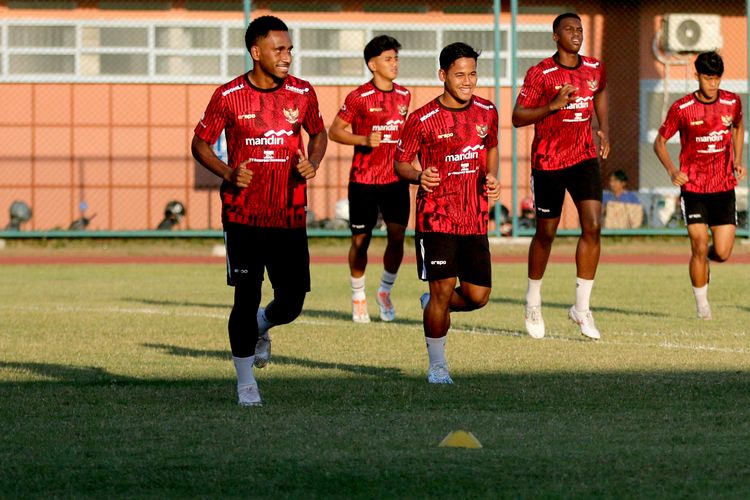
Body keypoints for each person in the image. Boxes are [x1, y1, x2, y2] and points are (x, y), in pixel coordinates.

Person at [191, 15, 327, 406]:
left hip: (289, 214)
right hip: (243, 216)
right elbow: (200, 144)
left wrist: (312, 163)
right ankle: (246, 381)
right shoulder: (228, 96)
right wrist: (229, 173)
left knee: (292, 302)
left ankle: (261, 326)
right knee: (245, 296)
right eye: (279, 49)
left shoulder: (302, 92)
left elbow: (319, 132)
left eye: (290, 49)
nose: (287, 57)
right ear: (256, 52)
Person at [395, 42, 500, 384]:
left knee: (478, 296)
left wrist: (492, 178)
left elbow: (491, 148)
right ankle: (437, 366)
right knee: (443, 289)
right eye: (460, 75)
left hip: (474, 219)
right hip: (436, 218)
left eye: (472, 74)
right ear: (442, 76)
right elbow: (400, 163)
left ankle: (432, 304)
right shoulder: (422, 119)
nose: (468, 81)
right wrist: (417, 174)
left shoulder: (487, 111)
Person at [512, 12, 609, 340]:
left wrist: (603, 128)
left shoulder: (594, 66)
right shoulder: (541, 73)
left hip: (583, 157)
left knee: (593, 226)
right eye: (569, 30)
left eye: (580, 29)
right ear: (556, 37)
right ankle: (533, 299)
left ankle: (581, 308)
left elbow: (600, 92)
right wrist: (552, 106)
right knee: (546, 234)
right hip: (548, 162)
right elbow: (517, 116)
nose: (577, 34)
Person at [653, 51, 745, 320]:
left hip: (724, 186)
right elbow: (659, 141)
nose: (712, 84)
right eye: (707, 78)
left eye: (716, 78)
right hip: (693, 188)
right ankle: (702, 305)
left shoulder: (731, 102)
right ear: (697, 76)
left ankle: (704, 265)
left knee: (724, 252)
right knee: (699, 244)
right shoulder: (682, 108)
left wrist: (738, 160)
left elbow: (738, 127)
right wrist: (672, 171)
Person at [328, 35, 411, 323]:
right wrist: (363, 139)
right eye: (389, 59)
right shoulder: (358, 97)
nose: (395, 64)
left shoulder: (404, 95)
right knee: (361, 240)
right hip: (363, 181)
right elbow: (335, 131)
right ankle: (358, 295)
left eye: (396, 58)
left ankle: (385, 291)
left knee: (397, 238)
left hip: (396, 180)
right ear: (372, 64)